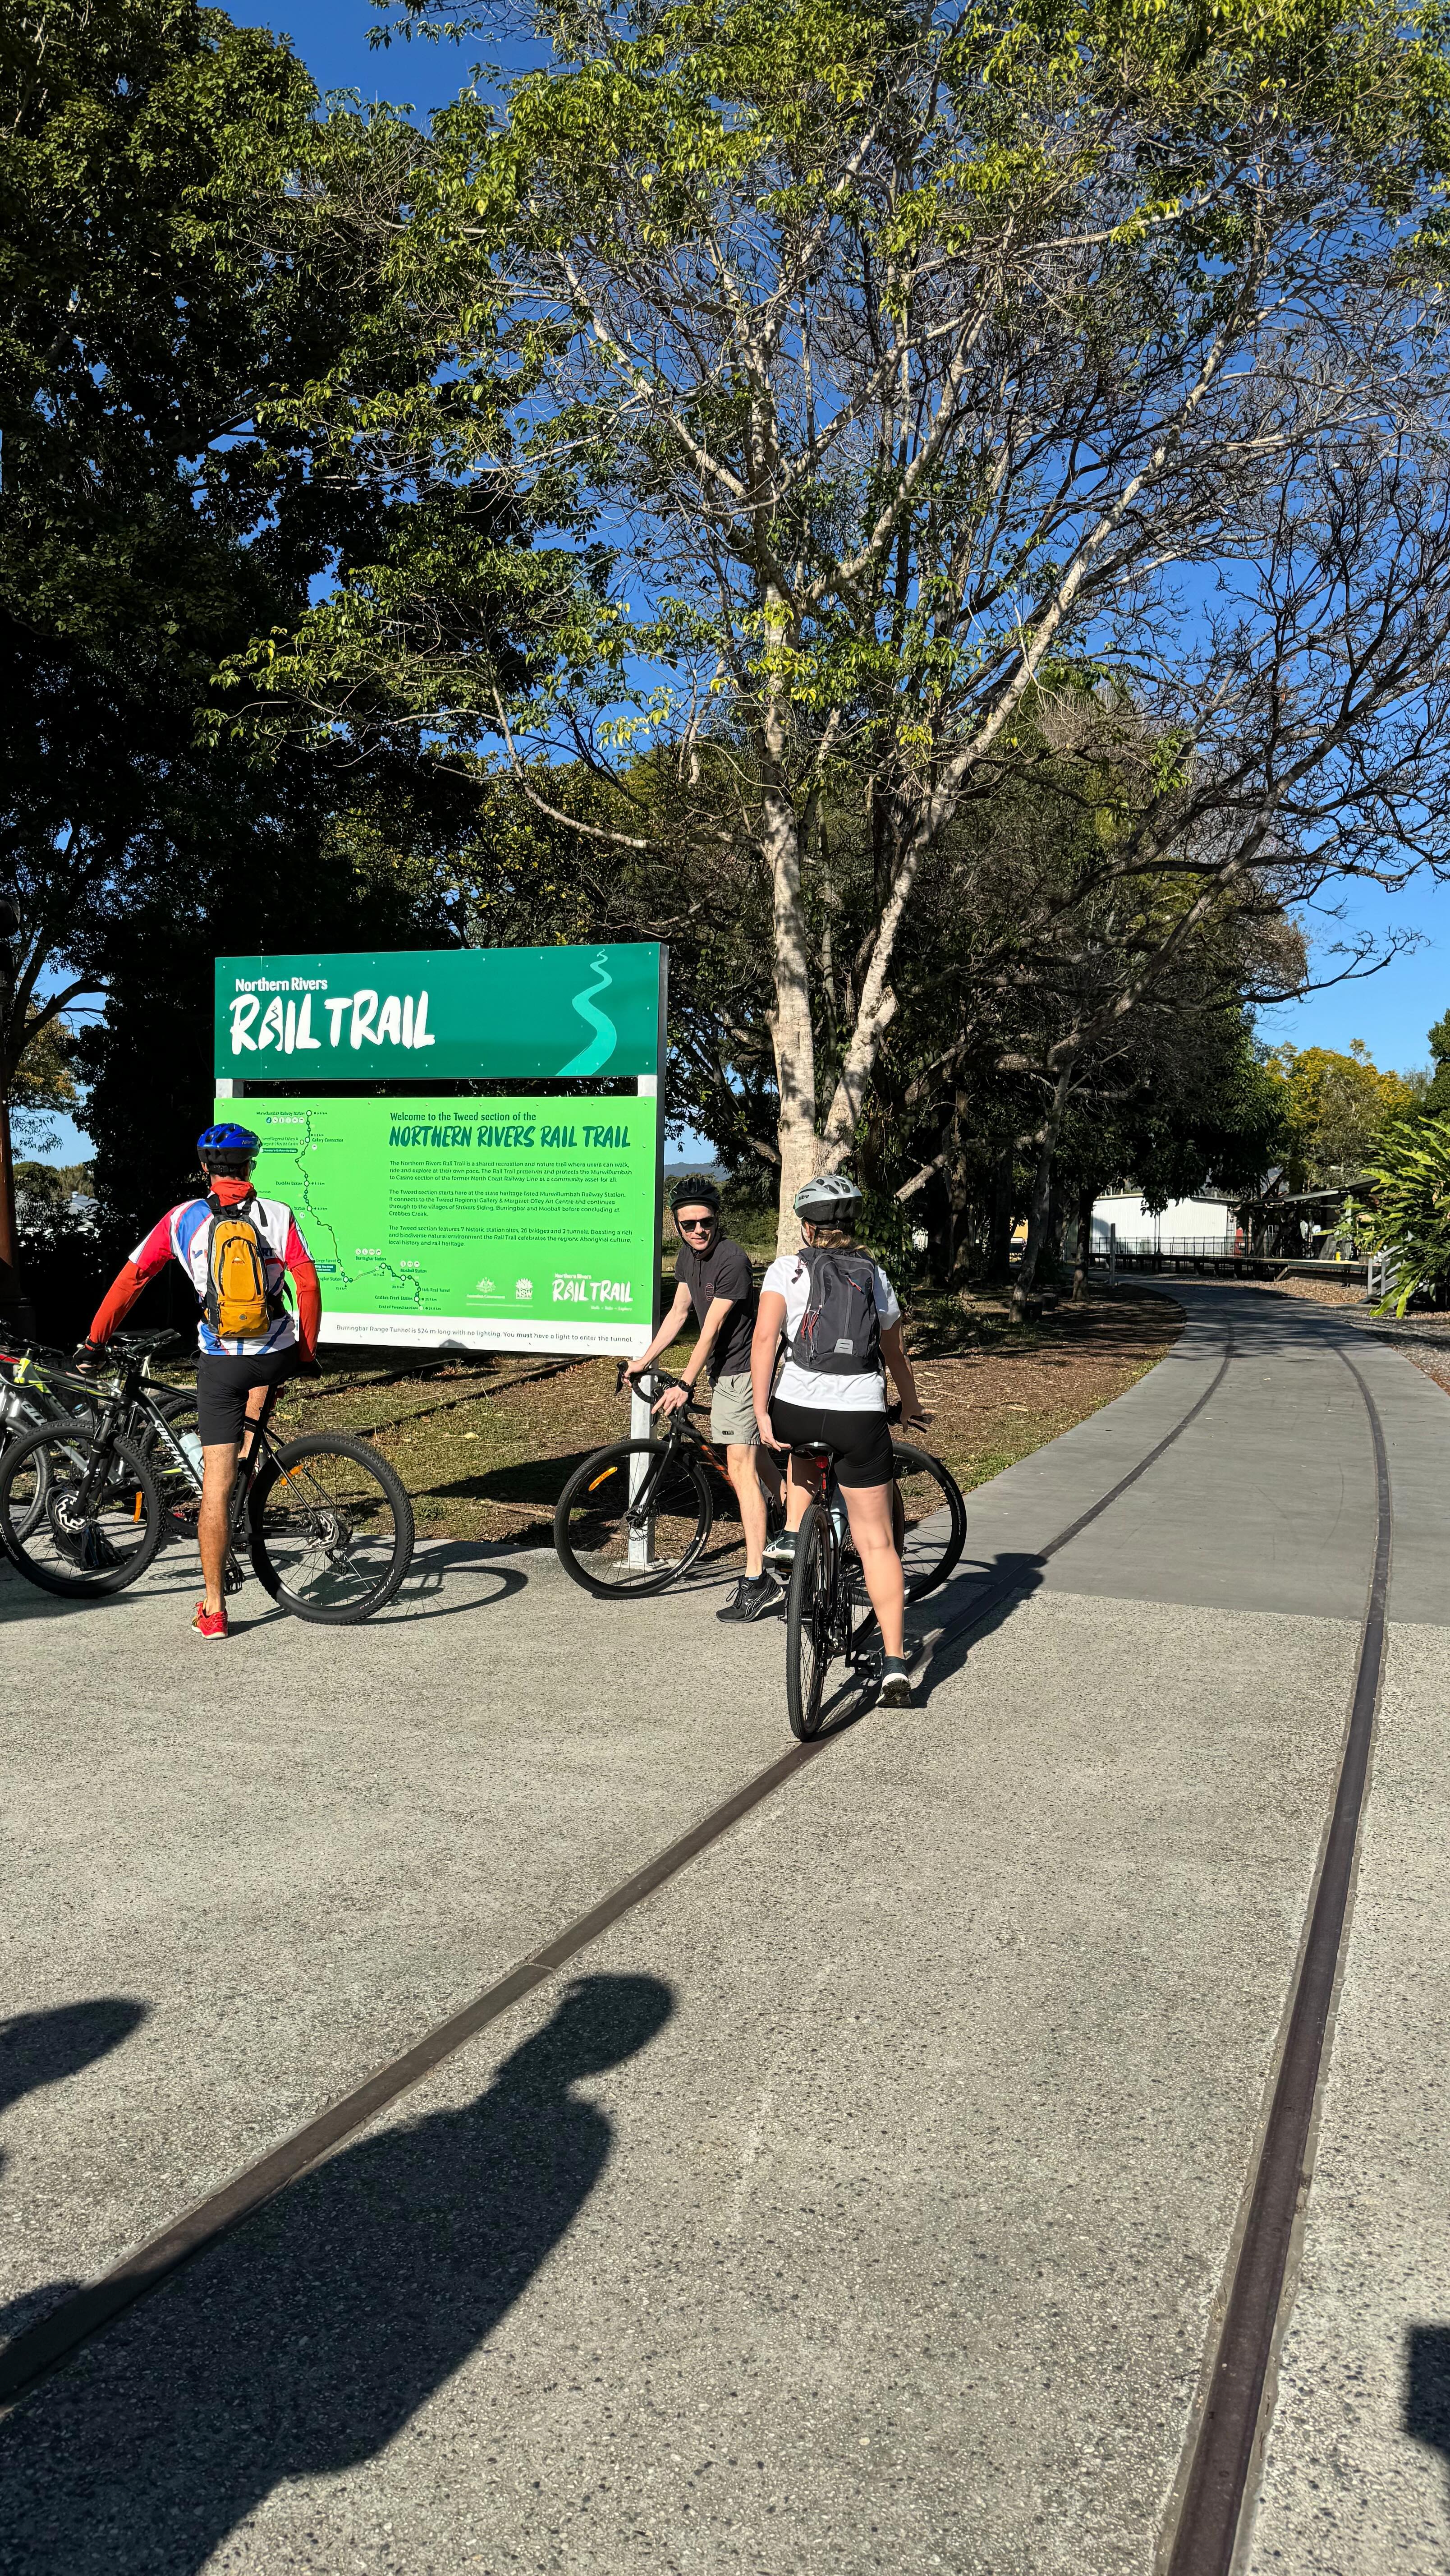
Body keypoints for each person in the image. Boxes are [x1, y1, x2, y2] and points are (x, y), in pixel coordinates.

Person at [76, 1122, 321, 1641]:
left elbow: (132, 1280)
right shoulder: (277, 1215)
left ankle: (213, 1609)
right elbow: (307, 1280)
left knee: (216, 1480)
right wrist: (305, 1350)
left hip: (222, 1361)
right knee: (253, 1414)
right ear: (251, 1167)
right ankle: (251, 1474)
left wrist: (95, 1342)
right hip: (274, 1352)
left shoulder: (182, 1219)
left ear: (206, 1169)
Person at [750, 1173, 926, 1705]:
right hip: (859, 1416)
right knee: (876, 1542)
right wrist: (911, 1403)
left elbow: (764, 1339)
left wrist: (761, 1409)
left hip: (797, 1411)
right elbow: (894, 1354)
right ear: (850, 1226)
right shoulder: (876, 1276)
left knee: (800, 1456)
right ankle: (895, 1666)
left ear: (807, 1225)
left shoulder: (787, 1268)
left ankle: (790, 1537)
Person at [626, 1176, 782, 1622]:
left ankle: (758, 1578)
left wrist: (685, 1384)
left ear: (717, 1220)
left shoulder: (731, 1258)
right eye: (688, 1224)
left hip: (745, 1370)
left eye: (705, 1222)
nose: (697, 1231)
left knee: (740, 1469)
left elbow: (710, 1328)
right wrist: (643, 1360)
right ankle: (799, 1524)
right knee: (754, 1461)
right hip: (724, 1370)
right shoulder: (687, 1258)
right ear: (676, 1226)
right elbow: (679, 1314)